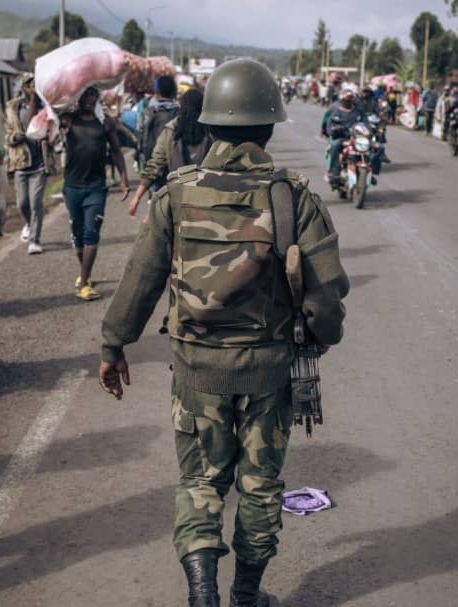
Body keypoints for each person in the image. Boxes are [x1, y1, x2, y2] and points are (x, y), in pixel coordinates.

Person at [98, 58, 350, 607]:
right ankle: (246, 597)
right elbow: (327, 295)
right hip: (269, 374)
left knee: (200, 483)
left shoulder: (176, 194)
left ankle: (202, 596)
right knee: (260, 488)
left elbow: (140, 280)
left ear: (209, 125)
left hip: (196, 372)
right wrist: (321, 338)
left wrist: (113, 344)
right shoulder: (292, 197)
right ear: (269, 127)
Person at [60, 87, 129, 301]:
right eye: (85, 95)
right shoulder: (68, 119)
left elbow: (116, 151)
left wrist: (124, 179)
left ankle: (83, 282)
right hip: (72, 187)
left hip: (96, 187)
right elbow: (43, 123)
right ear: (78, 97)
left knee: (91, 233)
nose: (89, 99)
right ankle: (86, 273)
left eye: (93, 95)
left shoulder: (105, 122)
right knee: (78, 234)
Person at [127, 88, 213, 217]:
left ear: (181, 107)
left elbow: (155, 166)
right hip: (208, 200)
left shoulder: (170, 131)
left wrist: (136, 197)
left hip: (177, 199)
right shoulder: (212, 131)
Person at [6, 73, 56, 255]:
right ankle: (29, 224)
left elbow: (54, 132)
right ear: (23, 88)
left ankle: (35, 240)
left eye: (36, 85)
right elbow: (7, 133)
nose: (33, 88)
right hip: (21, 162)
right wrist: (14, 138)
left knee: (36, 203)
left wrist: (49, 139)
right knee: (22, 204)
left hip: (40, 164)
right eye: (30, 85)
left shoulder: (46, 108)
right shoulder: (13, 108)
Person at [323, 89, 366, 188]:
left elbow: (366, 123)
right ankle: (334, 173)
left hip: (357, 138)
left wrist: (370, 130)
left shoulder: (358, 112)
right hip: (342, 138)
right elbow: (330, 126)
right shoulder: (336, 112)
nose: (348, 102)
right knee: (334, 145)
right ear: (342, 100)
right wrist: (335, 129)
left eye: (350, 100)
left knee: (373, 146)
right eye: (346, 100)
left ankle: (370, 170)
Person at [138, 75, 180, 170]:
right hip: (173, 162)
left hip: (152, 162)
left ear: (156, 92)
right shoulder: (179, 113)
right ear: (174, 92)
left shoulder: (147, 112)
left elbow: (140, 135)